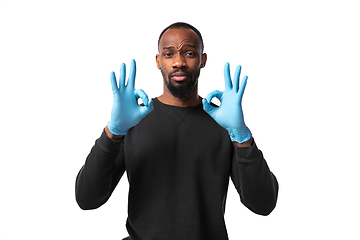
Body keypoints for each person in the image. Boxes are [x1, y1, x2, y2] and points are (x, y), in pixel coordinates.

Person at [75, 22, 279, 240]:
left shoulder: (225, 124)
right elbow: (88, 199)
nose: (179, 62)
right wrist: (113, 132)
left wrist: (241, 136)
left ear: (203, 60)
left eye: (189, 53)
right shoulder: (132, 121)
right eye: (169, 54)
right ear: (158, 61)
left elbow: (263, 204)